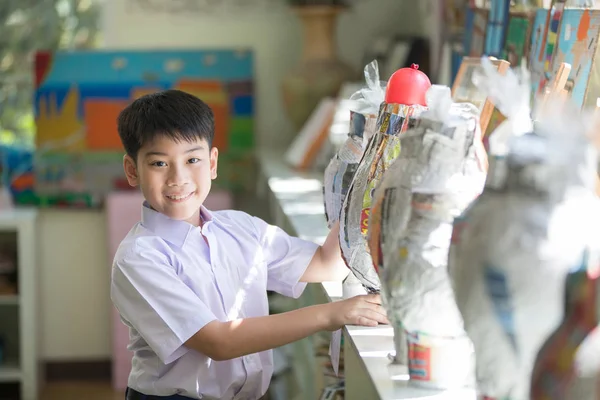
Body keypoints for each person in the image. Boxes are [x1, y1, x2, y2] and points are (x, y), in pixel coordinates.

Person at [110, 89, 389, 400]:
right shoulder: (139, 257)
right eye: (159, 164)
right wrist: (330, 314)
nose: (178, 177)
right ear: (133, 170)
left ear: (212, 163)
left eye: (192, 159)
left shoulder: (241, 228)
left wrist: (367, 180)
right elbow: (219, 342)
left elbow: (327, 265)